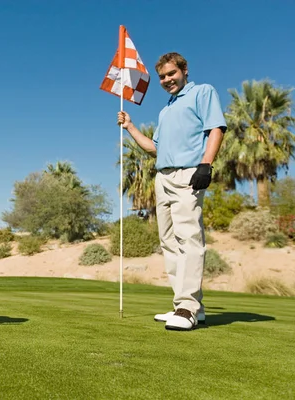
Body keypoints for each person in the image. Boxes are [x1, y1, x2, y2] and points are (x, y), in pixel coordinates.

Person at [117, 52, 226, 331]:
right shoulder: (166, 109)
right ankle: (187, 305)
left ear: (184, 70)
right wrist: (130, 126)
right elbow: (154, 148)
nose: (167, 80)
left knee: (188, 237)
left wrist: (206, 165)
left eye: (171, 74)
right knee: (169, 241)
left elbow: (216, 128)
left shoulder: (202, 92)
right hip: (162, 177)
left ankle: (187, 308)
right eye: (163, 77)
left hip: (187, 173)